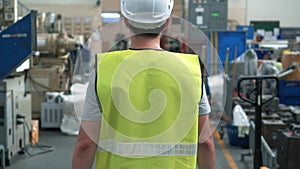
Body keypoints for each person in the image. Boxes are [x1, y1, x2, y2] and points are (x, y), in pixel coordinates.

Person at [72, 0, 215, 169]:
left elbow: (86, 144)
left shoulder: (104, 69)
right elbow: (205, 142)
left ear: (126, 20)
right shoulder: (191, 70)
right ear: (167, 22)